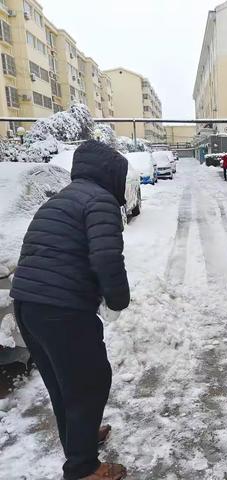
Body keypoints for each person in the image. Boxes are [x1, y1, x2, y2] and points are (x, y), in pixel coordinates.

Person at [10, 140, 130, 480]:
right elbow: (106, 256)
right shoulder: (100, 200)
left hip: (27, 305)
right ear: (110, 175)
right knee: (91, 382)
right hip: (62, 309)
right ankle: (83, 468)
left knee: (64, 385)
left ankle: (80, 439)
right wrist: (118, 298)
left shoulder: (59, 200)